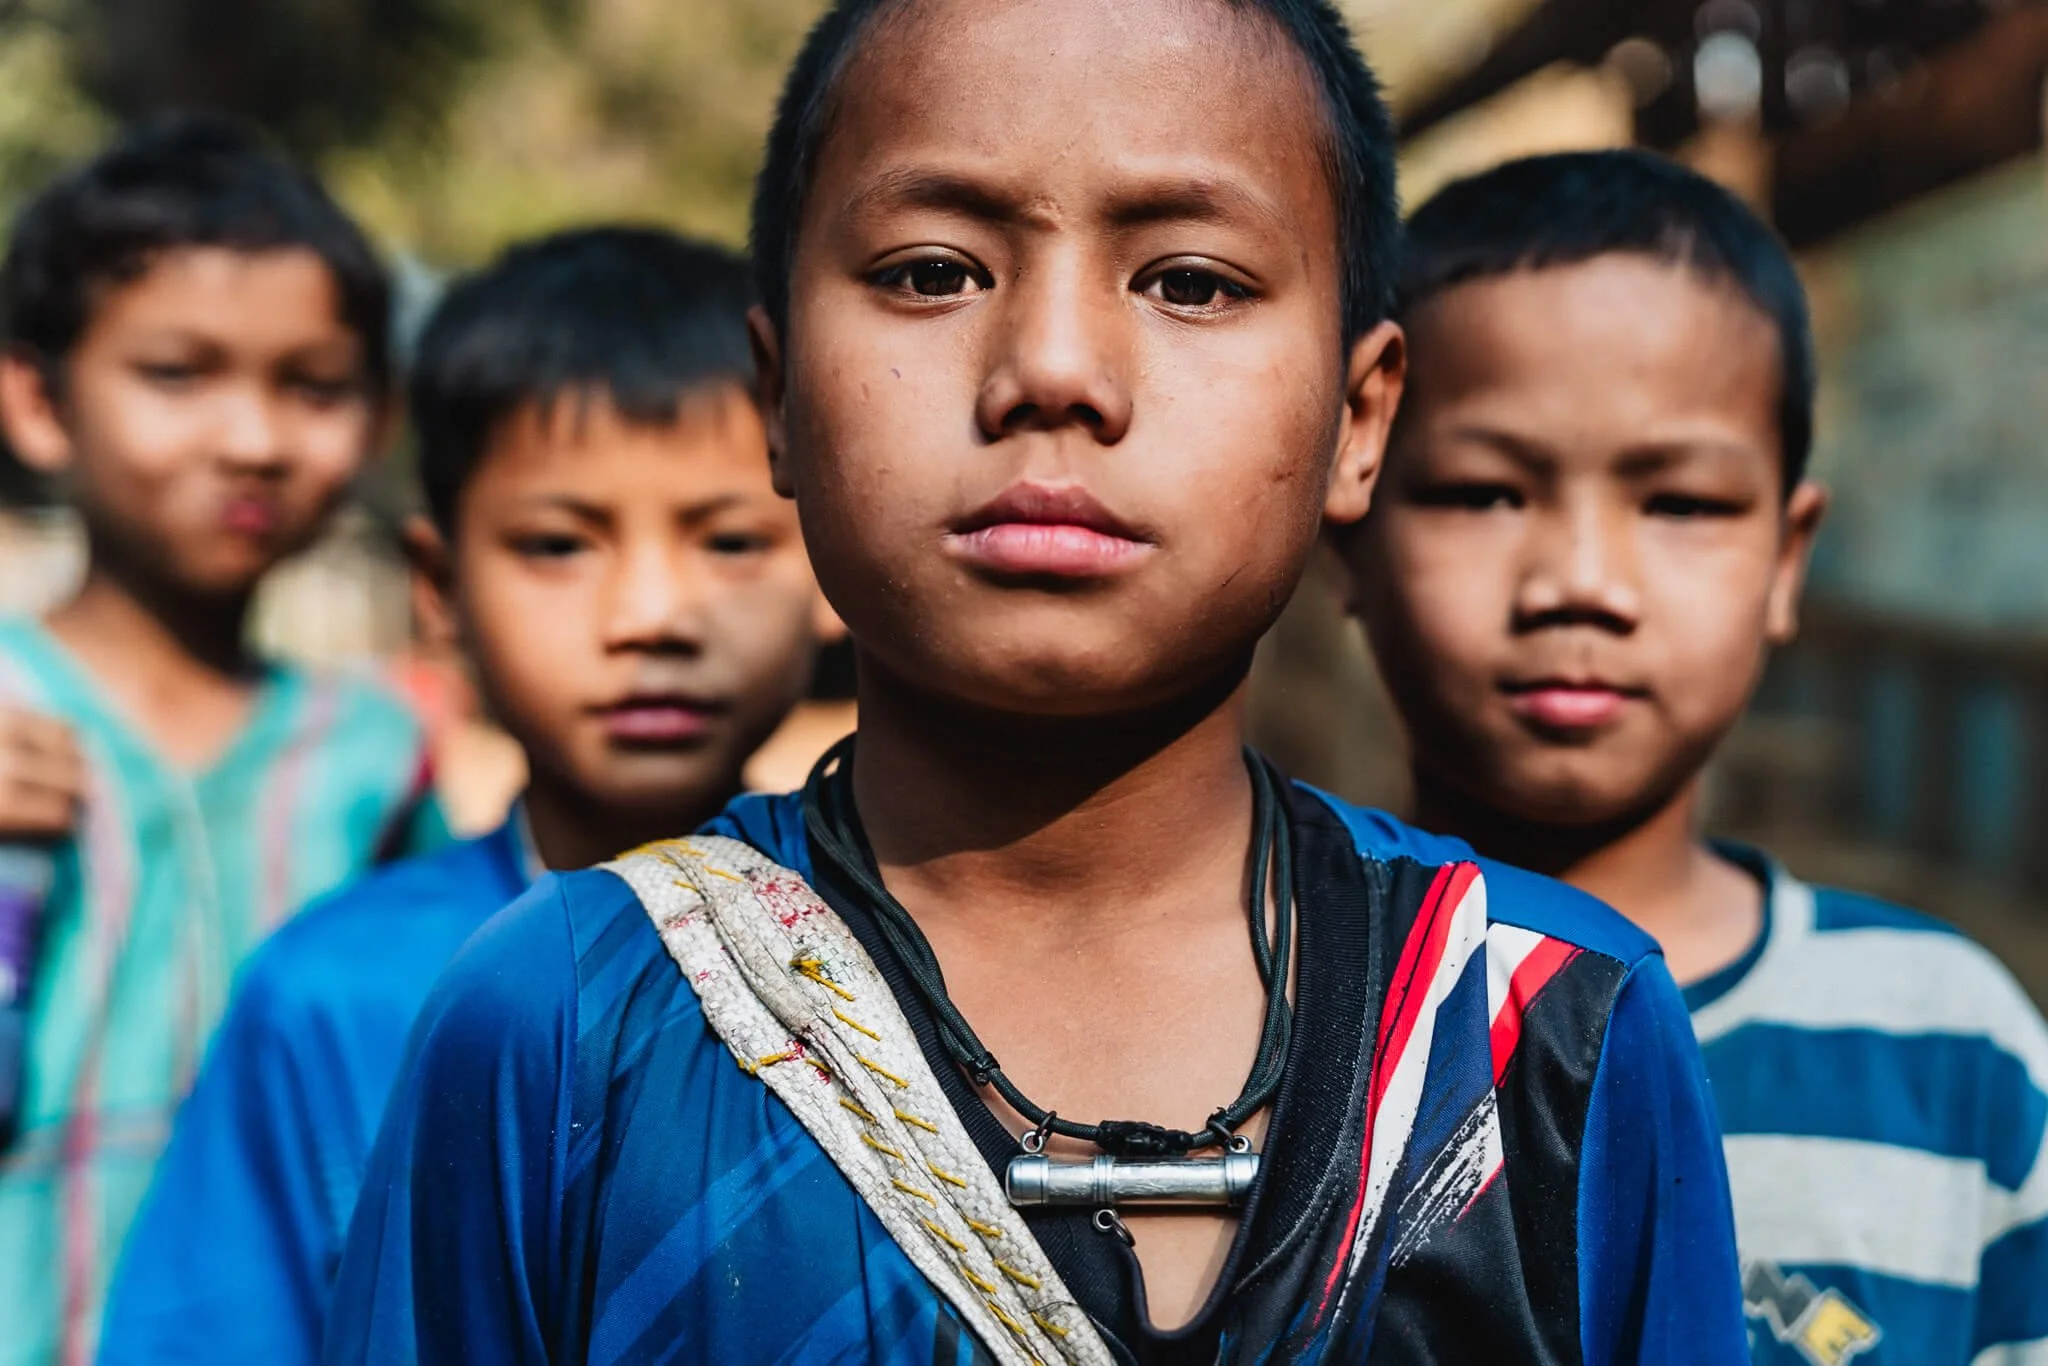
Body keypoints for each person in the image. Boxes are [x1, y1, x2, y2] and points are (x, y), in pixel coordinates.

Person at [325, 5, 1747, 1363]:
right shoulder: (569, 1022)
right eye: (933, 272)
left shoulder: (1550, 1031)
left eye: (1191, 281)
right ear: (776, 395)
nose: (1055, 370)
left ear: (1358, 418)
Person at [1346, 148, 2048, 1366]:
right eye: (1480, 491)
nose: (1579, 583)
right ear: (1347, 522)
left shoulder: (1947, 1049)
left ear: (1786, 557)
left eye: (1675, 503)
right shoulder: (1270, 1010)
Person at [96, 226, 839, 1366]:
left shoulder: (893, 950)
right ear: (440, 591)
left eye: (731, 540)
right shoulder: (330, 996)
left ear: (829, 553)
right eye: (557, 544)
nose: (651, 615)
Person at [0, 115, 441, 1366]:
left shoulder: (374, 752)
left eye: (312, 386)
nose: (252, 437)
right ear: (38, 400)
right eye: (178, 374)